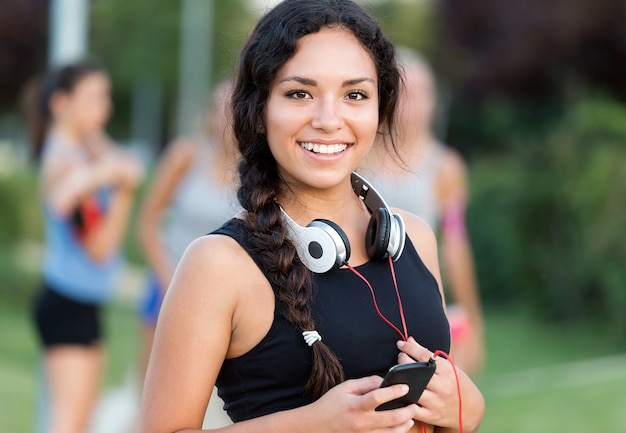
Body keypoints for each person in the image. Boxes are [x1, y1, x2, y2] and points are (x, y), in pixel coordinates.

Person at [137, 1, 485, 432]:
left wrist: (467, 409)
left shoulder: (413, 236)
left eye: (354, 95)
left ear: (380, 110)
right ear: (259, 110)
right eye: (299, 93)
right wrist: (315, 424)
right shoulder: (216, 264)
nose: (328, 119)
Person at [27, 61, 143, 433]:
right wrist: (124, 190)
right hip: (67, 304)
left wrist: (113, 169)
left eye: (105, 97)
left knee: (78, 422)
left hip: (82, 301)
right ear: (61, 103)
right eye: (94, 98)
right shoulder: (64, 163)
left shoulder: (81, 152)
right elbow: (100, 248)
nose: (104, 108)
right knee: (67, 424)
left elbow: (124, 163)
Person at [366, 49, 485, 377]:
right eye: (405, 90)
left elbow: (455, 244)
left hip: (418, 302)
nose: (413, 102)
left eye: (422, 92)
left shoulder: (445, 166)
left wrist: (472, 323)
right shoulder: (356, 159)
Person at [135, 80, 239, 428]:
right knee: (150, 392)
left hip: (223, 297)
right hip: (168, 282)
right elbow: (147, 222)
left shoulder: (255, 168)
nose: (226, 117)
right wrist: (166, 277)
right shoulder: (186, 154)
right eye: (219, 109)